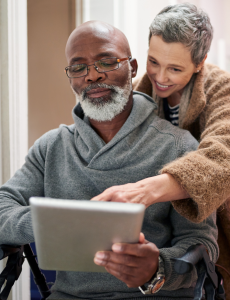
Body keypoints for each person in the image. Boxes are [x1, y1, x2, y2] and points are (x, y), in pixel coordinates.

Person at [0, 21, 218, 300]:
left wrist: (157, 269)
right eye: (78, 67)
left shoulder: (178, 146)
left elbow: (201, 244)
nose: (92, 76)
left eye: (107, 62)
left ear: (133, 68)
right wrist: (54, 222)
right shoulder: (51, 146)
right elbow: (3, 207)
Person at [92, 3, 230, 296]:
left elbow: (224, 157)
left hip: (217, 233)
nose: (161, 77)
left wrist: (148, 190)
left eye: (175, 68)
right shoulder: (139, 94)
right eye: (154, 61)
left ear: (200, 62)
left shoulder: (222, 90)